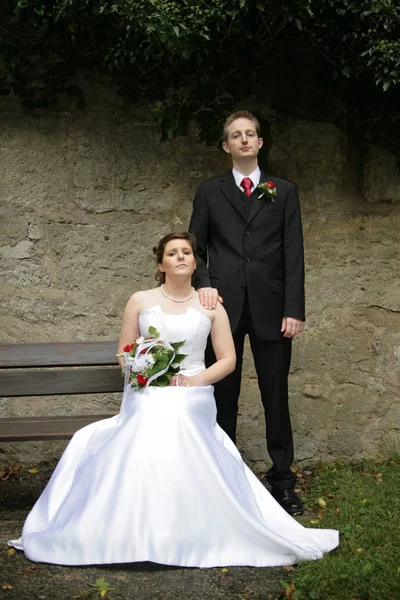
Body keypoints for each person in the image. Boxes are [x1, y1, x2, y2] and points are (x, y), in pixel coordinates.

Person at [8, 232, 338, 567]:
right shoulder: (139, 300)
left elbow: (227, 360)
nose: (180, 257)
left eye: (186, 252)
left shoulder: (211, 306)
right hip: (147, 389)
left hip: (193, 390)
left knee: (177, 410)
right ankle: (135, 526)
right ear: (161, 264)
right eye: (172, 253)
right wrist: (143, 369)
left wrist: (193, 380)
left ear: (195, 263)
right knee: (155, 408)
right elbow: (124, 352)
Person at [189, 111, 305, 514]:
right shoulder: (209, 192)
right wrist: (203, 283)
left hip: (273, 309)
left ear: (259, 143)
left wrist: (294, 308)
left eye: (250, 134)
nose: (243, 140)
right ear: (226, 146)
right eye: (235, 135)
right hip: (222, 309)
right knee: (223, 394)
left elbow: (294, 254)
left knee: (276, 395)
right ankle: (224, 478)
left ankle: (283, 481)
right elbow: (195, 247)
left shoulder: (283, 191)